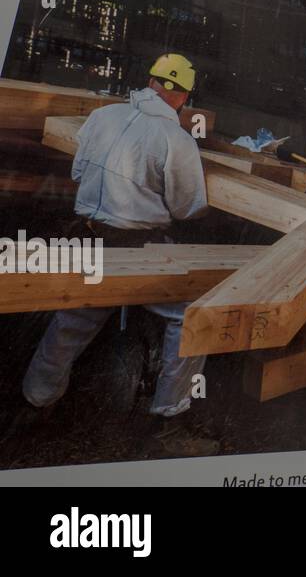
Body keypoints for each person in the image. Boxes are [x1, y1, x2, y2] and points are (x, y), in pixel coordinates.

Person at [22, 54, 214, 455]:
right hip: (137, 249)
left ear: (151, 81)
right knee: (193, 315)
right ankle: (169, 417)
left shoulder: (103, 116)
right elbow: (187, 208)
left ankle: (36, 405)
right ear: (181, 96)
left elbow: (78, 173)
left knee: (70, 319)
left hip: (90, 239)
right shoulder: (175, 139)